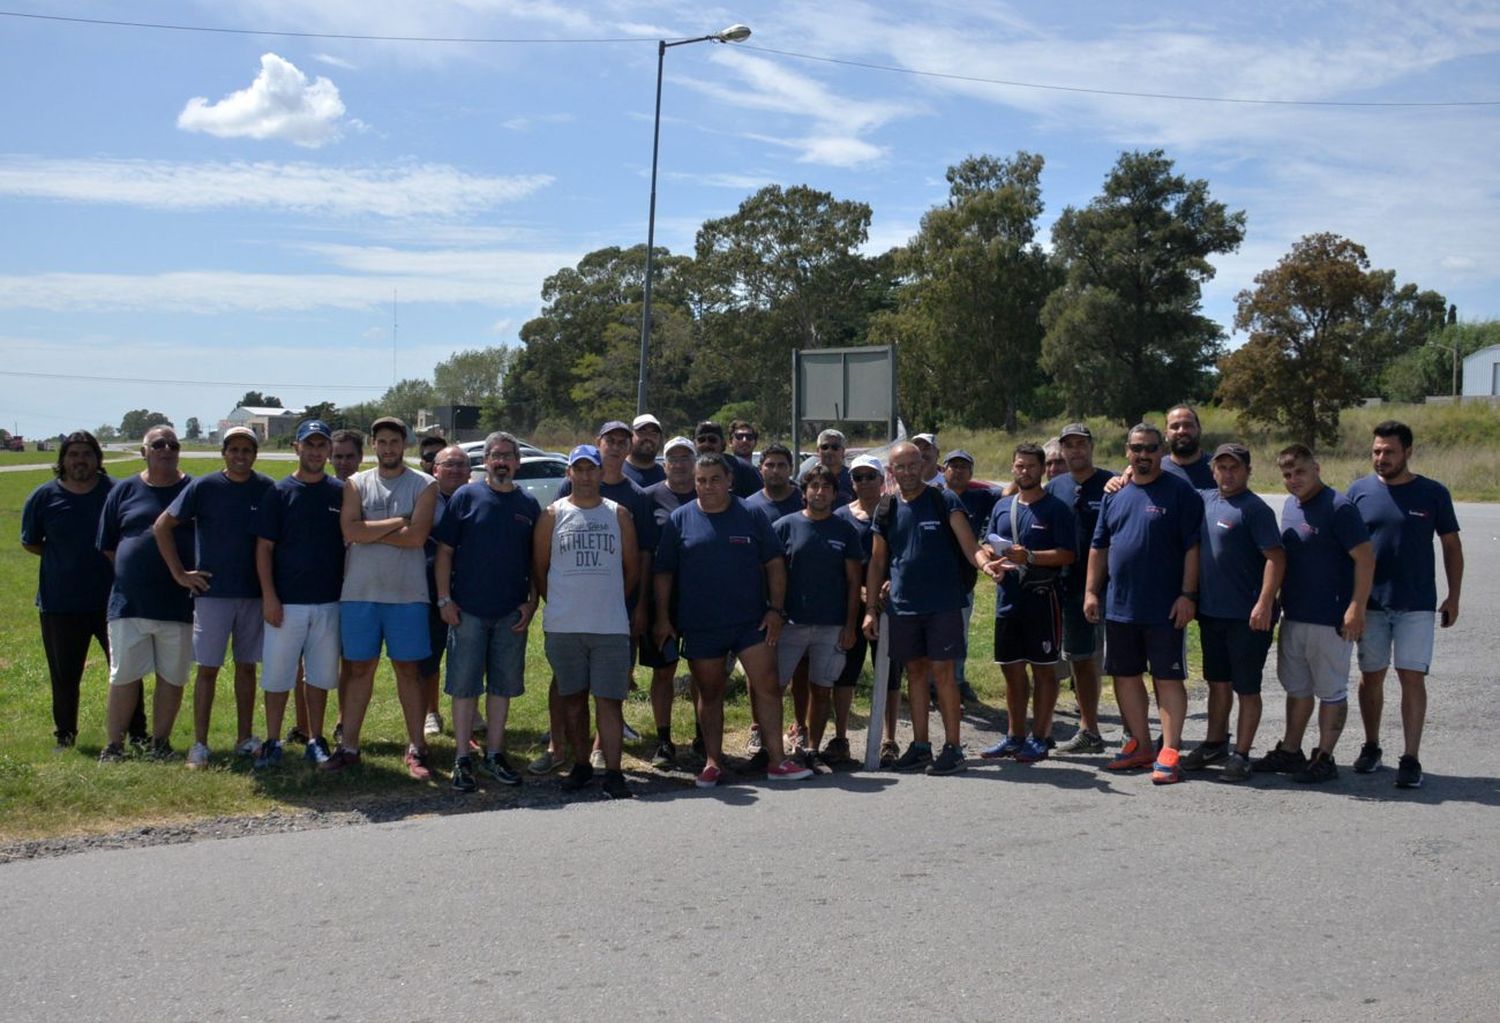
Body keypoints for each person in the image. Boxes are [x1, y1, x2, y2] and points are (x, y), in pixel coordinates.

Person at [653, 452, 811, 787]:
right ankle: (713, 761)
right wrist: (663, 618)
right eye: (701, 480)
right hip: (701, 625)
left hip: (751, 623)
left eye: (714, 479)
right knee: (710, 694)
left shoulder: (751, 513)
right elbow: (664, 573)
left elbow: (774, 564)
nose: (707, 486)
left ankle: (777, 760)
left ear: (729, 481)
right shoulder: (680, 519)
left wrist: (776, 610)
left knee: (768, 687)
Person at [530, 420, 654, 774]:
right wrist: (557, 600)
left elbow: (633, 567)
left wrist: (615, 598)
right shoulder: (553, 514)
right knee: (571, 699)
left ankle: (612, 771)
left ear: (601, 472)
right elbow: (540, 567)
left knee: (609, 701)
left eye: (591, 470)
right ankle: (577, 762)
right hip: (565, 623)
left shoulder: (621, 513)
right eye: (579, 469)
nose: (585, 476)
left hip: (609, 622)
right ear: (570, 472)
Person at [1085, 423, 1203, 785]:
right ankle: (1140, 743)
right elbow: (1099, 546)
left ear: (1161, 451)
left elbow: (1192, 548)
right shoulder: (1114, 494)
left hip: (1165, 608)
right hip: (1120, 606)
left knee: (1167, 678)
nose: (1144, 455)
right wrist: (1091, 591)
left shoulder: (1180, 493)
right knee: (1125, 676)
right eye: (1137, 448)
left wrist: (1187, 595)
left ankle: (1170, 749)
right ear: (1127, 451)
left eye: (1151, 448)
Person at [1348, 421, 1462, 789]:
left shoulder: (1432, 493)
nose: (1381, 458)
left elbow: (1451, 547)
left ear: (1408, 452)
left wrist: (1453, 596)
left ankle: (1411, 757)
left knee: (1411, 677)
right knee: (1371, 676)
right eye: (1377, 451)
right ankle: (1371, 746)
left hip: (1416, 603)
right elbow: (1344, 551)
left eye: (1389, 452)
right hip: (1371, 604)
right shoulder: (1358, 492)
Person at [152, 426, 273, 768]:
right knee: (208, 669)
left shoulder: (265, 488)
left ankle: (245, 738)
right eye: (233, 449)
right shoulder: (203, 487)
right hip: (212, 594)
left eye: (246, 450)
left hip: (252, 593)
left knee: (247, 668)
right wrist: (180, 574)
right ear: (224, 453)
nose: (240, 456)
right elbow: (162, 526)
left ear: (255, 454)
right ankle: (200, 744)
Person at [1252, 444, 1373, 785]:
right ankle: (1292, 750)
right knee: (1298, 687)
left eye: (1300, 472)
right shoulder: (1291, 506)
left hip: (1330, 619)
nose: (1293, 480)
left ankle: (1325, 756)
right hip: (1296, 614)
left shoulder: (1339, 508)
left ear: (1317, 469)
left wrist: (1356, 607)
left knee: (1331, 689)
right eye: (1287, 475)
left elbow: (1365, 559)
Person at [326, 416, 440, 778]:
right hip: (360, 593)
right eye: (382, 442)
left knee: (408, 671)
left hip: (407, 596)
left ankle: (417, 747)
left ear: (403, 444)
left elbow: (417, 538)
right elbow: (349, 530)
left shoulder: (425, 484)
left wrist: (368, 531)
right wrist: (396, 522)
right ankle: (349, 746)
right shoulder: (356, 484)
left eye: (394, 441)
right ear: (373, 446)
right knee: (359, 669)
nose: (388, 448)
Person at [862, 441, 984, 776]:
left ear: (925, 465)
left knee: (943, 674)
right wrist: (871, 609)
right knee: (915, 673)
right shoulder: (886, 508)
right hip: (904, 607)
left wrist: (988, 565)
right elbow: (876, 561)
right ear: (892, 471)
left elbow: (971, 547)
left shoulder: (944, 500)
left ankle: (954, 748)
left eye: (913, 465)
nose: (907, 472)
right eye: (900, 467)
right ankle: (920, 746)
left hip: (943, 604)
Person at [21, 430, 141, 749]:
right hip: (60, 602)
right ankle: (65, 735)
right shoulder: (44, 497)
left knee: (127, 670)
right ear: (62, 460)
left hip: (113, 600)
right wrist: (63, 557)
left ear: (98, 460)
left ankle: (138, 733)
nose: (80, 460)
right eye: (73, 454)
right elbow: (31, 542)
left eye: (87, 454)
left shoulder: (116, 492)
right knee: (64, 674)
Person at [435, 431, 540, 791]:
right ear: (486, 460)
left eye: (508, 456)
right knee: (464, 686)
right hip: (467, 612)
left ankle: (494, 753)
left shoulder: (528, 505)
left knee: (502, 686)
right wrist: (444, 600)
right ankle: (462, 757)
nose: (502, 462)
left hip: (511, 613)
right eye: (495, 455)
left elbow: (535, 561)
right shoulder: (466, 496)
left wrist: (532, 601)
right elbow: (445, 552)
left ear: (517, 462)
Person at [1180, 444, 1284, 782]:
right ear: (1213, 471)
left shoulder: (1255, 509)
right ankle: (1214, 743)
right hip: (1213, 613)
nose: (1228, 473)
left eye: (1234, 468)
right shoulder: (1206, 500)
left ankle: (1241, 754)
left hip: (1248, 616)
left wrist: (1265, 602)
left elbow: (1276, 558)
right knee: (1217, 683)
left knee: (1246, 688)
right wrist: (1121, 477)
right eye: (1221, 467)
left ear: (1248, 471)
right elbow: (1164, 480)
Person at [95, 426, 194, 763]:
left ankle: (160, 743)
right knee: (123, 675)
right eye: (158, 444)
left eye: (173, 444)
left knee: (172, 676)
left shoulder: (191, 489)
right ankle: (114, 745)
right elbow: (109, 545)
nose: (166, 449)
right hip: (129, 603)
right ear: (144, 452)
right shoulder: (123, 491)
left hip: (178, 602)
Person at [253, 419, 346, 766]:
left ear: (329, 451)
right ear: (297, 448)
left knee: (320, 676)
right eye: (310, 445)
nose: (316, 451)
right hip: (286, 603)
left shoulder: (340, 492)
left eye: (322, 445)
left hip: (328, 601)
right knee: (278, 676)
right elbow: (264, 548)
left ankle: (315, 738)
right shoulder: (279, 493)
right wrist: (269, 596)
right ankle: (274, 739)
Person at [976, 444, 1076, 763]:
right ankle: (1014, 736)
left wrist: (1031, 557)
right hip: (1008, 600)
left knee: (1044, 671)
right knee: (1012, 671)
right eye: (1019, 466)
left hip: (1042, 600)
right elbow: (988, 543)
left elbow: (1068, 554)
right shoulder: (1003, 506)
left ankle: (1041, 737)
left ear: (1043, 469)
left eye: (1031, 466)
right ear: (1012, 467)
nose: (1025, 472)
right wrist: (991, 561)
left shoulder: (1056, 509)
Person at [772, 465, 863, 768]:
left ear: (835, 494)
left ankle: (812, 750)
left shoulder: (845, 530)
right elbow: (771, 575)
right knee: (774, 688)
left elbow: (853, 582)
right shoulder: (784, 526)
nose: (820, 492)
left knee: (822, 689)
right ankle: (773, 751)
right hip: (789, 625)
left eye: (826, 487)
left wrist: (850, 625)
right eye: (814, 486)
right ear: (804, 491)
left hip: (831, 625)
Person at [1046, 423, 1115, 754]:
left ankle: (1139, 733)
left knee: (1125, 662)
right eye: (1069, 445)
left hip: (1110, 586)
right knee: (1080, 660)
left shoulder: (1112, 484)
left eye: (1081, 443)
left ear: (1091, 446)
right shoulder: (1055, 485)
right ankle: (1090, 730)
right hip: (1066, 585)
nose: (1075, 450)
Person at [836, 455, 900, 764]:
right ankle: (841, 738)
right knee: (845, 673)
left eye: (870, 476)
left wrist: (889, 586)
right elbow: (834, 566)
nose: (864, 482)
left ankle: (889, 739)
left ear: (881, 479)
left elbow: (902, 555)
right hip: (850, 606)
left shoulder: (896, 512)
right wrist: (861, 592)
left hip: (889, 606)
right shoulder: (840, 516)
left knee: (889, 674)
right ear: (851, 482)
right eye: (858, 477)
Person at [642, 435, 698, 768]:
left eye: (685, 457)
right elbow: (645, 554)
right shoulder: (649, 498)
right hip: (661, 601)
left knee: (705, 673)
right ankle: (664, 741)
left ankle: (704, 737)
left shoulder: (708, 492)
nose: (679, 464)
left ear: (695, 461)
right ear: (665, 463)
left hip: (703, 599)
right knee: (664, 672)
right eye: (672, 458)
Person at [419, 444, 474, 741]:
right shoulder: (424, 496)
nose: (454, 470)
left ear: (469, 471)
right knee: (430, 654)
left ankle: (469, 707)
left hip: (469, 587)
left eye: (460, 465)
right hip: (428, 586)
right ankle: (431, 711)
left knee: (470, 653)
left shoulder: (478, 497)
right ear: (435, 469)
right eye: (447, 464)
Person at [942, 449, 999, 702]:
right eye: (953, 466)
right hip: (933, 582)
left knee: (960, 635)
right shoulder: (934, 498)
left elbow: (1009, 491)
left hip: (964, 579)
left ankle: (957, 680)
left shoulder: (981, 497)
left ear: (971, 473)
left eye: (964, 467)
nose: (958, 470)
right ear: (944, 471)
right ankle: (933, 684)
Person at [325, 429, 362, 745]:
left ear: (360, 458)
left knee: (350, 660)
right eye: (338, 456)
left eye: (349, 456)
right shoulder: (322, 490)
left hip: (357, 585)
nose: (344, 462)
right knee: (313, 660)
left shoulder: (366, 489)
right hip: (321, 584)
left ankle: (342, 720)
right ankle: (304, 725)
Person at [694, 420, 760, 498]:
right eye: (701, 440)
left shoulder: (744, 469)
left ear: (723, 443)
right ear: (695, 444)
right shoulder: (688, 470)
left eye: (712, 440)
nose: (707, 444)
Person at [745, 443, 804, 524]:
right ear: (760, 469)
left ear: (791, 469)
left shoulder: (804, 500)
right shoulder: (749, 506)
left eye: (781, 465)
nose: (775, 471)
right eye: (770, 465)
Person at [1159, 404, 1215, 488]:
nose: (1181, 431)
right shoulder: (1156, 470)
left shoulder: (1218, 467)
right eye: (1175, 427)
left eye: (1188, 425)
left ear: (1199, 430)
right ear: (1166, 433)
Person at [623, 413, 667, 488]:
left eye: (654, 433)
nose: (648, 437)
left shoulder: (666, 477)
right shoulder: (616, 472)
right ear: (630, 436)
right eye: (642, 432)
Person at [815, 428, 856, 505]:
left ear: (843, 451)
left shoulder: (853, 478)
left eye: (835, 447)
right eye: (825, 447)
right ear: (817, 451)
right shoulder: (808, 477)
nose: (829, 451)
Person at [728, 418, 764, 495]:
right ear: (730, 442)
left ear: (755, 442)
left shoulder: (761, 474)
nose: (744, 440)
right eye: (739, 436)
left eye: (749, 437)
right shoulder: (723, 473)